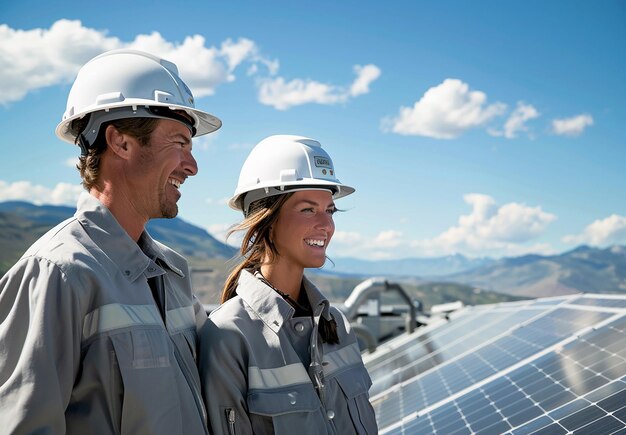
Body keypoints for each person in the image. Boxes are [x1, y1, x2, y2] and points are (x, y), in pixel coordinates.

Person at [0, 49, 221, 434]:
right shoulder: (60, 273)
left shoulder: (172, 273)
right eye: (180, 143)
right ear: (120, 142)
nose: (192, 166)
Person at [199, 135, 378, 434]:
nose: (326, 224)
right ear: (265, 218)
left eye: (330, 210)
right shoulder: (228, 335)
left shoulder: (337, 326)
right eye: (308, 209)